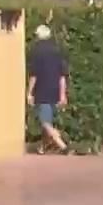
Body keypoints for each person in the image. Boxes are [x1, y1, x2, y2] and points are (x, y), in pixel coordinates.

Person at [25, 23, 69, 152]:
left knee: (44, 122)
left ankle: (62, 145)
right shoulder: (57, 51)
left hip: (42, 90)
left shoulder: (36, 51)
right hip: (54, 90)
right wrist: (62, 95)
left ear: (38, 36)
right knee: (47, 119)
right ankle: (42, 147)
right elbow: (62, 76)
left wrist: (29, 93)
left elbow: (34, 75)